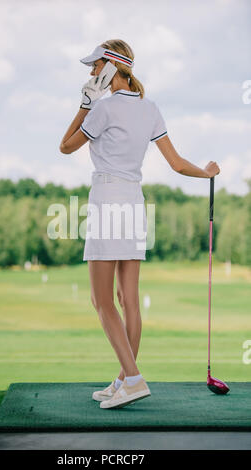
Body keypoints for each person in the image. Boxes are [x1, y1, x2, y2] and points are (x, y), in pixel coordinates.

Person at [59, 39, 220, 409]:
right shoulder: (151, 109)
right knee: (127, 299)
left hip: (107, 201)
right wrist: (207, 173)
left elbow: (65, 147)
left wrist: (84, 105)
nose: (91, 72)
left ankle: (132, 378)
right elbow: (178, 164)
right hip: (134, 204)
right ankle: (122, 379)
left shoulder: (101, 109)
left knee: (101, 301)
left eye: (95, 66)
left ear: (112, 67)